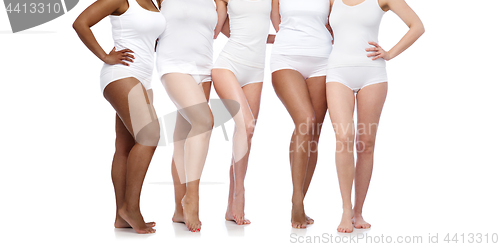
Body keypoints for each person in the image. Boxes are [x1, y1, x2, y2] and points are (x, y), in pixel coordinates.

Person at [326, 0, 424, 233]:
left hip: (372, 74)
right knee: (344, 138)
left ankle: (358, 211)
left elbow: (417, 26)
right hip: (337, 71)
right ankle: (346, 209)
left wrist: (389, 53)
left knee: (366, 144)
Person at [73, 0, 166, 234]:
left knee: (126, 147)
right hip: (122, 73)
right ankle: (131, 208)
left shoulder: (155, 2)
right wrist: (105, 56)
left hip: (144, 77)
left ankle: (121, 217)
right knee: (149, 135)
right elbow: (80, 23)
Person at [155, 0, 221, 232]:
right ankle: (192, 197)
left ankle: (178, 210)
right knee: (205, 121)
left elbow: (230, 29)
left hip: (204, 67)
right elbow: (145, 16)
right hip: (173, 64)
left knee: (183, 138)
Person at [270, 0, 333, 229]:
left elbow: (334, 23)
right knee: (305, 121)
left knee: (313, 133)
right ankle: (297, 200)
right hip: (286, 57)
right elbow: (277, 21)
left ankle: (300, 199)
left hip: (323, 61)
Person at [212, 0, 273, 226]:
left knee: (245, 134)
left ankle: (230, 207)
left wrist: (275, 39)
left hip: (256, 70)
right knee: (247, 125)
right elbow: (218, 30)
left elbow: (261, 29)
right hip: (228, 64)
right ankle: (240, 193)